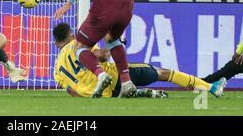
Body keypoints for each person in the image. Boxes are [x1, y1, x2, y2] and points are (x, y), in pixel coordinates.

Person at [52, 23, 227, 98]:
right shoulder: (78, 43)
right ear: (71, 34)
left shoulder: (56, 70)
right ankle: (212, 87)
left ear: (56, 42)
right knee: (164, 73)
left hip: (98, 94)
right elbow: (102, 56)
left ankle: (143, 93)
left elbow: (71, 92)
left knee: (125, 93)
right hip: (116, 77)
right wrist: (114, 45)